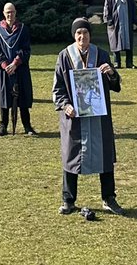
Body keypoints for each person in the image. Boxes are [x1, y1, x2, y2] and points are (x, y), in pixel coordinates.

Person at [53, 19, 124, 216]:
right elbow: (57, 88)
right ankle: (68, 200)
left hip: (98, 117)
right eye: (78, 34)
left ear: (90, 35)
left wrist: (111, 73)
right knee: (71, 155)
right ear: (74, 36)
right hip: (74, 117)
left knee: (105, 155)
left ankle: (109, 198)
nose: (82, 37)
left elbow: (116, 85)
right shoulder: (64, 57)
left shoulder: (100, 54)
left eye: (85, 32)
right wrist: (65, 105)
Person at [0, 2, 35, 136]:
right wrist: (5, 65)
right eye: (7, 12)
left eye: (12, 12)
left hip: (20, 69)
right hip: (5, 71)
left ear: (15, 13)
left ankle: (27, 126)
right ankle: (3, 126)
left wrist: (16, 63)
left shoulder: (22, 29)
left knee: (22, 97)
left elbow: (26, 49)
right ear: (4, 14)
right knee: (4, 98)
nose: (10, 15)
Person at [102, 0, 137, 68]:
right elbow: (106, 9)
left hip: (127, 23)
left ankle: (129, 63)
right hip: (115, 24)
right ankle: (117, 62)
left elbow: (133, 8)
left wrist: (134, 22)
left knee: (128, 43)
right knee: (115, 43)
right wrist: (109, 21)